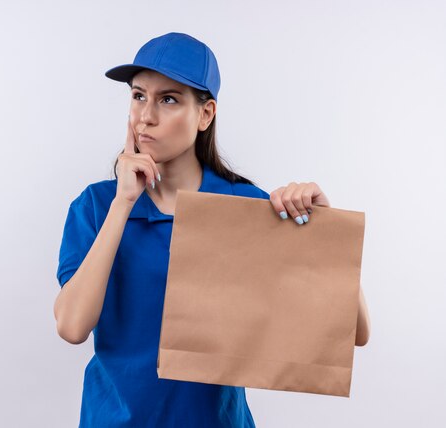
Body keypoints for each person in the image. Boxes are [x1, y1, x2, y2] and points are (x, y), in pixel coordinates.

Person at [54, 32, 371, 428]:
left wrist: (325, 236)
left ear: (205, 114)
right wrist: (123, 202)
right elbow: (71, 326)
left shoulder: (244, 207)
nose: (145, 116)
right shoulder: (97, 206)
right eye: (138, 96)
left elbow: (353, 333)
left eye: (168, 99)